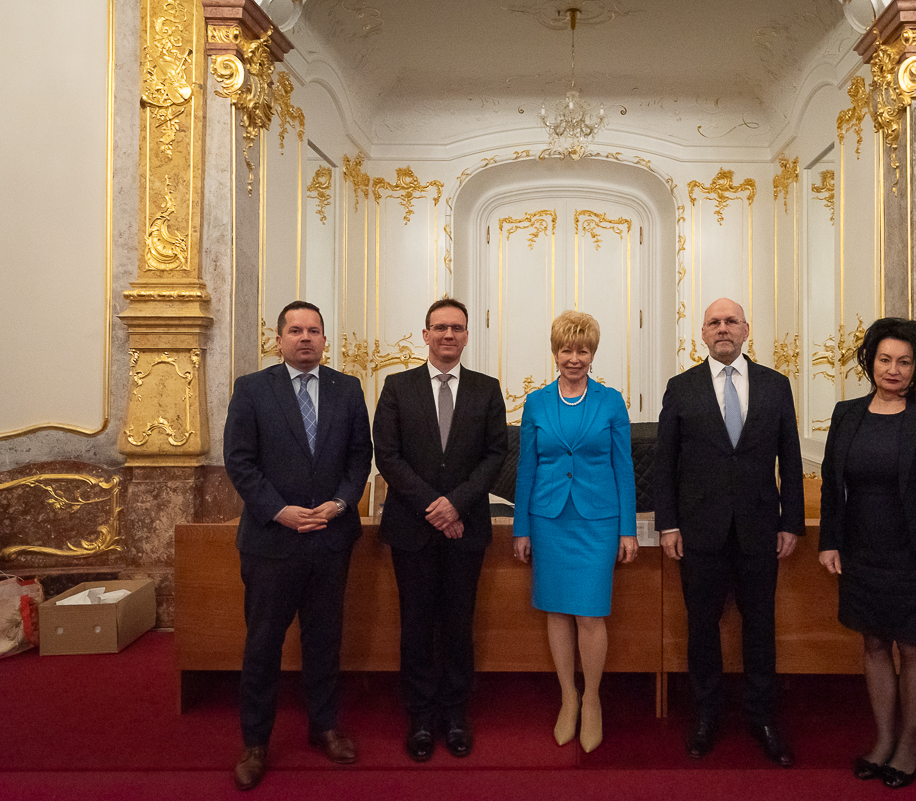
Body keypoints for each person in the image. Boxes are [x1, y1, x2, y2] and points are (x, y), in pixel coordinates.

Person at [224, 300, 373, 791]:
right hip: (271, 541)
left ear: (325, 339)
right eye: (295, 330)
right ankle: (255, 743)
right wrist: (279, 510)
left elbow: (360, 457)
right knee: (263, 645)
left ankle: (324, 727)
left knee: (324, 640)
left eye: (313, 330)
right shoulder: (251, 389)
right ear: (279, 339)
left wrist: (340, 503)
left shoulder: (347, 389)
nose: (305, 338)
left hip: (330, 539)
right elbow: (239, 460)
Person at [817, 317, 916, 789]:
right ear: (871, 362)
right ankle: (883, 738)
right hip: (862, 553)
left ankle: (909, 743)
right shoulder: (847, 414)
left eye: (904, 362)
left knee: (914, 648)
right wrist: (829, 541)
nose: (893, 369)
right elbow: (830, 485)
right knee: (874, 645)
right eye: (885, 359)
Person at [654, 297, 804, 767]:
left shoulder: (776, 385)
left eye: (731, 321)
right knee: (702, 627)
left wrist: (792, 521)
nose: (723, 328)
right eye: (714, 322)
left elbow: (791, 460)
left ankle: (762, 716)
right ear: (702, 333)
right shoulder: (681, 388)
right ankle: (706, 714)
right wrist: (667, 523)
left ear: (745, 330)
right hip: (700, 531)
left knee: (760, 626)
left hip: (760, 529)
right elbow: (665, 463)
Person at [374, 298, 508, 762]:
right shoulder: (397, 386)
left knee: (457, 624)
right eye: (440, 327)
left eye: (457, 327)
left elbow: (495, 454)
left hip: (465, 527)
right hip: (412, 527)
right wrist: (433, 505)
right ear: (425, 334)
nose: (449, 334)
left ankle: (454, 714)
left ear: (467, 335)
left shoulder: (487, 389)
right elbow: (387, 454)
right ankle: (419, 717)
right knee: (415, 625)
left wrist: (456, 504)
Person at [512, 310, 637, 753]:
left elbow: (624, 467)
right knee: (556, 612)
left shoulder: (611, 401)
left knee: (589, 614)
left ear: (592, 354)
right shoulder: (536, 403)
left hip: (597, 522)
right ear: (555, 352)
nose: (574, 358)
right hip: (548, 520)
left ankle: (593, 699)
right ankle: (568, 697)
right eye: (566, 349)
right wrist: (522, 529)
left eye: (582, 350)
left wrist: (627, 530)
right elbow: (527, 468)